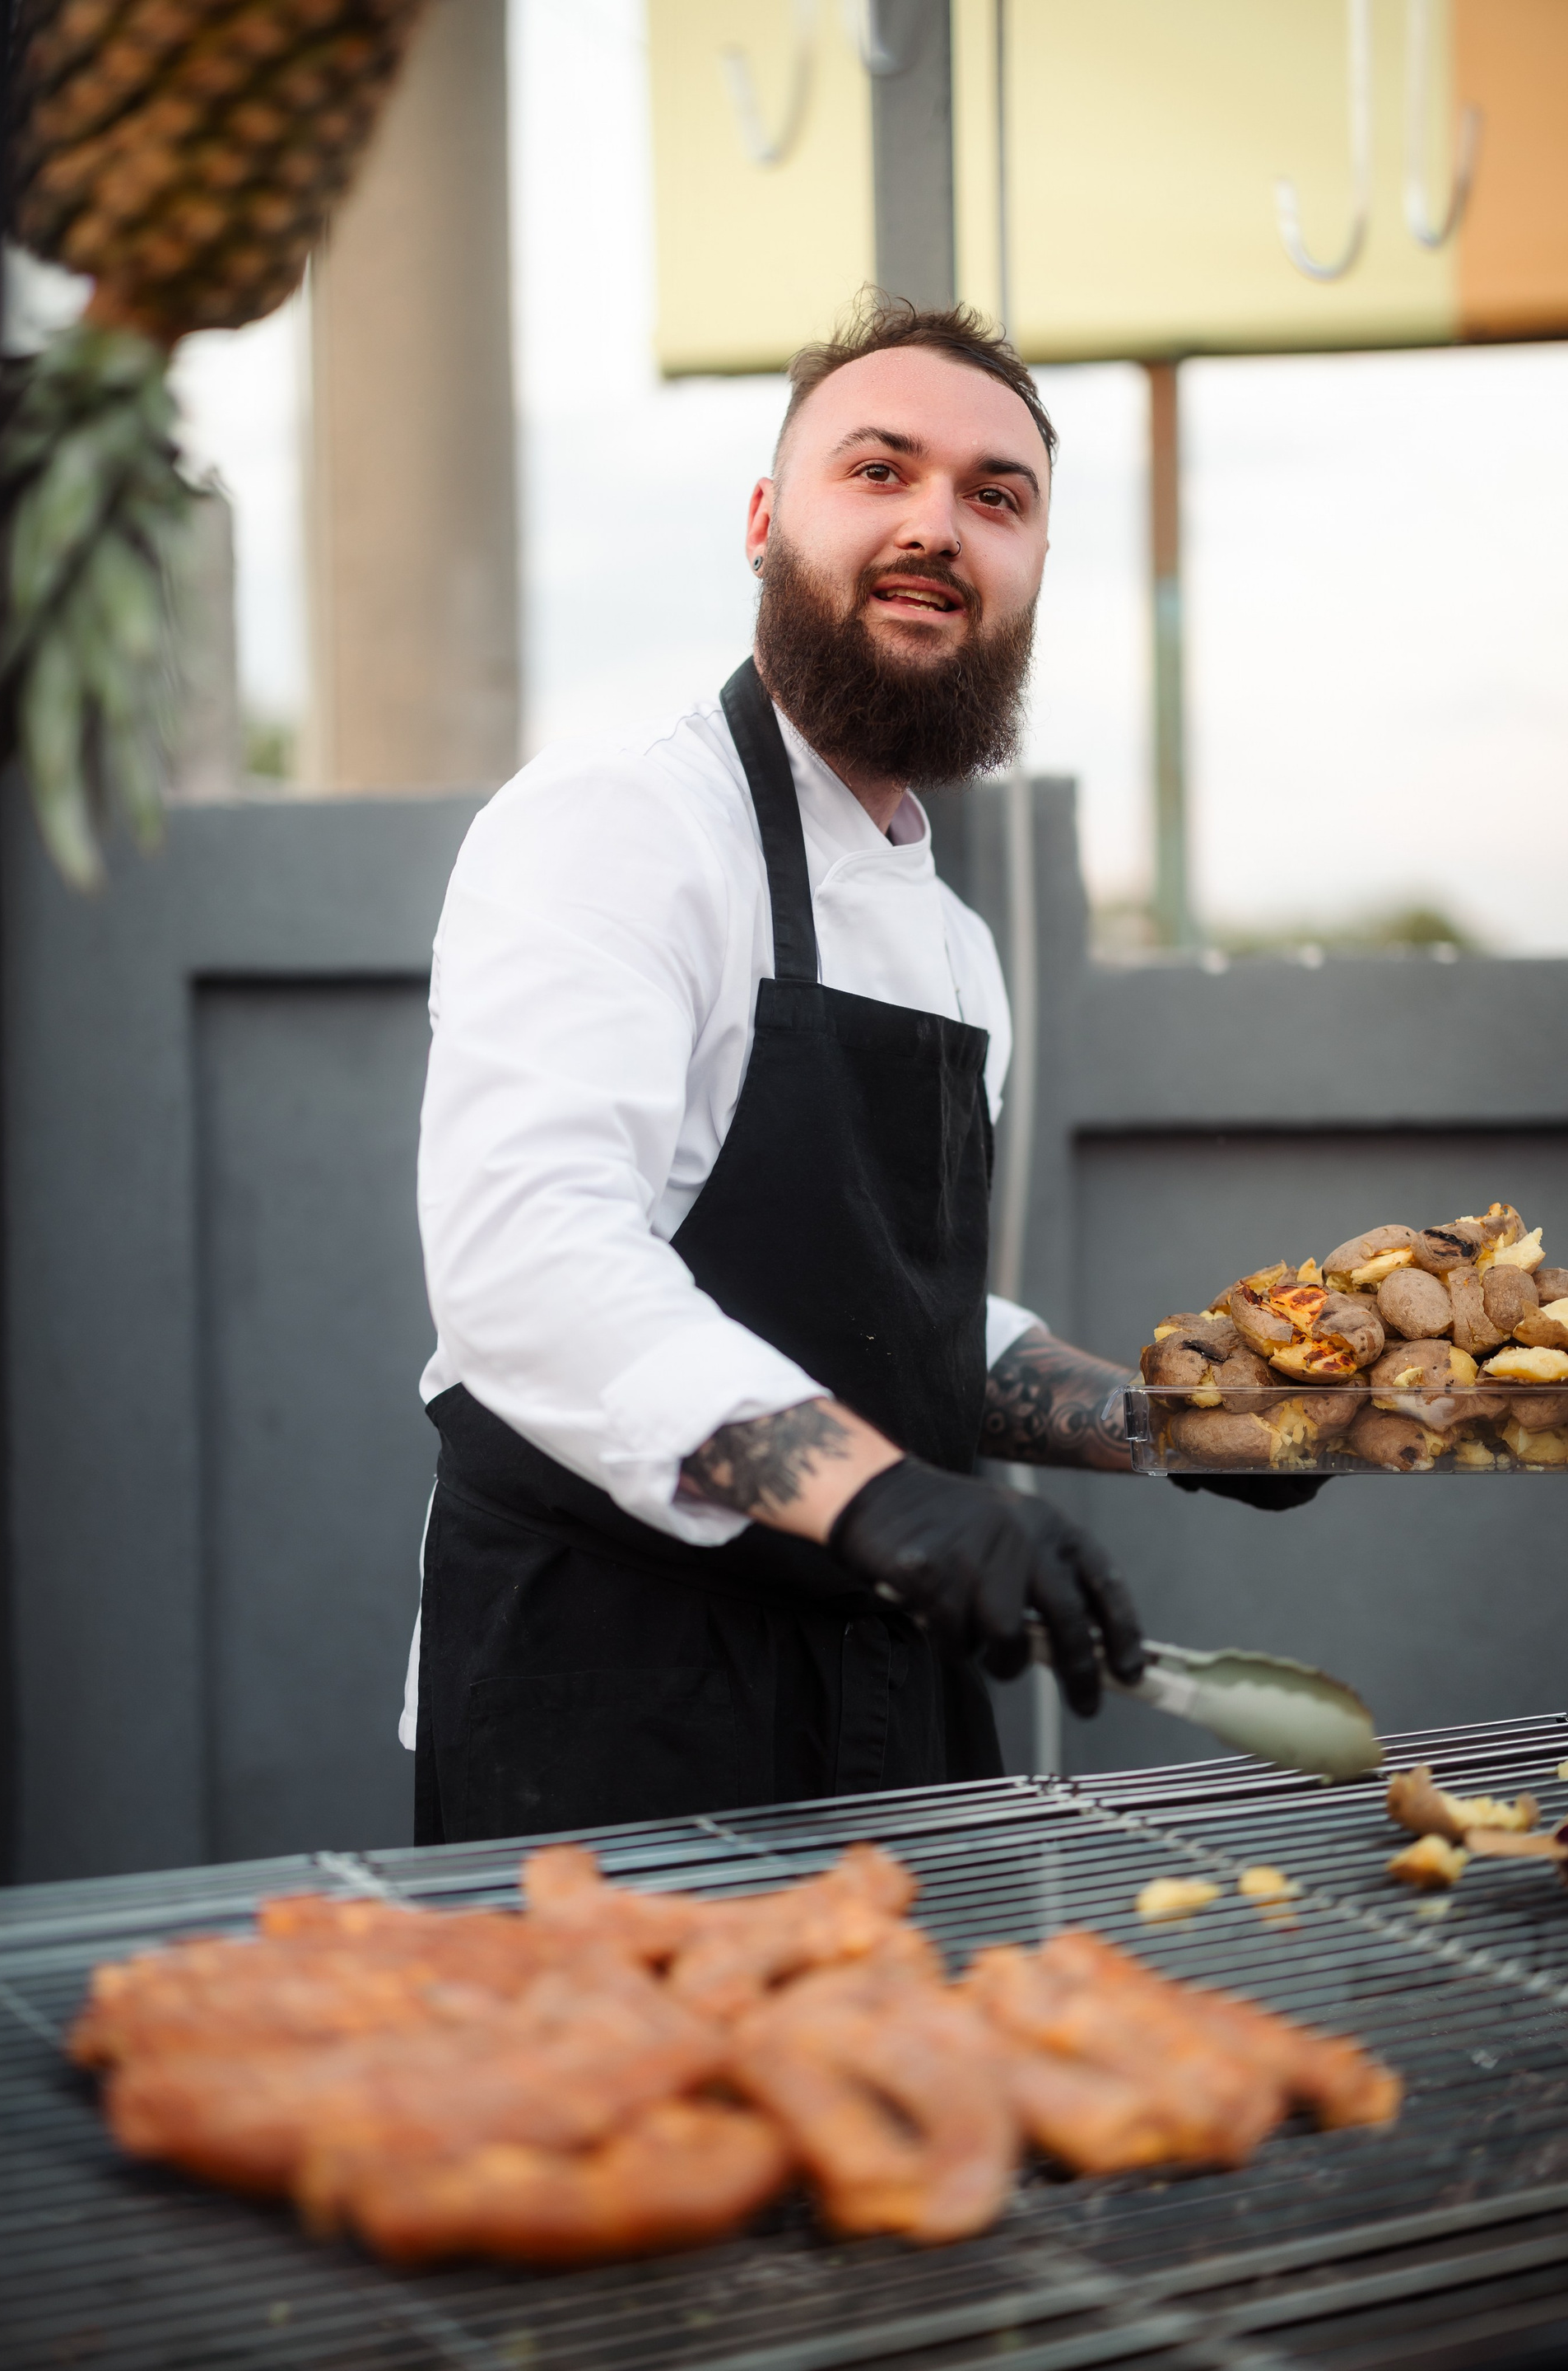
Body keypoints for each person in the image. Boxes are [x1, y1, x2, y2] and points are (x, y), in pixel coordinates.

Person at [402, 297, 1313, 1845]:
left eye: (995, 496)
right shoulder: (619, 827)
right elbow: (527, 1263)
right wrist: (882, 1495)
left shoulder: (953, 943)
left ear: (1031, 566)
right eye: (878, 471)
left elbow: (900, 1326)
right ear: (767, 520)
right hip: (617, 1700)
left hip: (895, 1703)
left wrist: (1164, 1420)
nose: (936, 526)